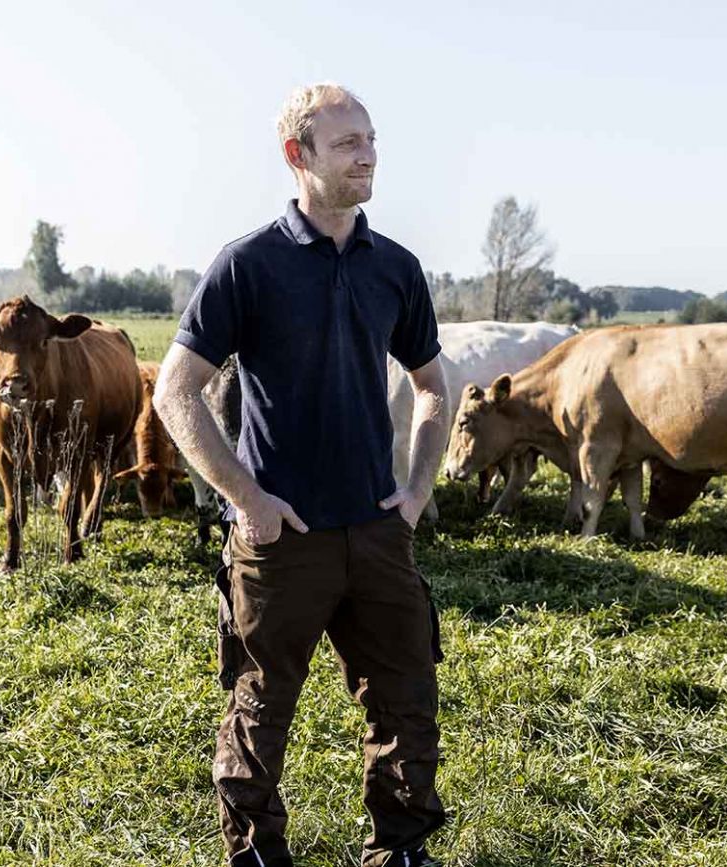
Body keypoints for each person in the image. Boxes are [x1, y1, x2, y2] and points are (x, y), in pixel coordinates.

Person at [154, 83, 450, 867]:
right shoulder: (248, 265)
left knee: (407, 704)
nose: (369, 154)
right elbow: (174, 390)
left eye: (372, 138)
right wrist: (245, 496)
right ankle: (255, 857)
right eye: (349, 142)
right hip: (280, 541)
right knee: (259, 709)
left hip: (379, 531)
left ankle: (402, 852)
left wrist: (414, 493)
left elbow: (432, 386)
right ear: (299, 156)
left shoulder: (396, 267)